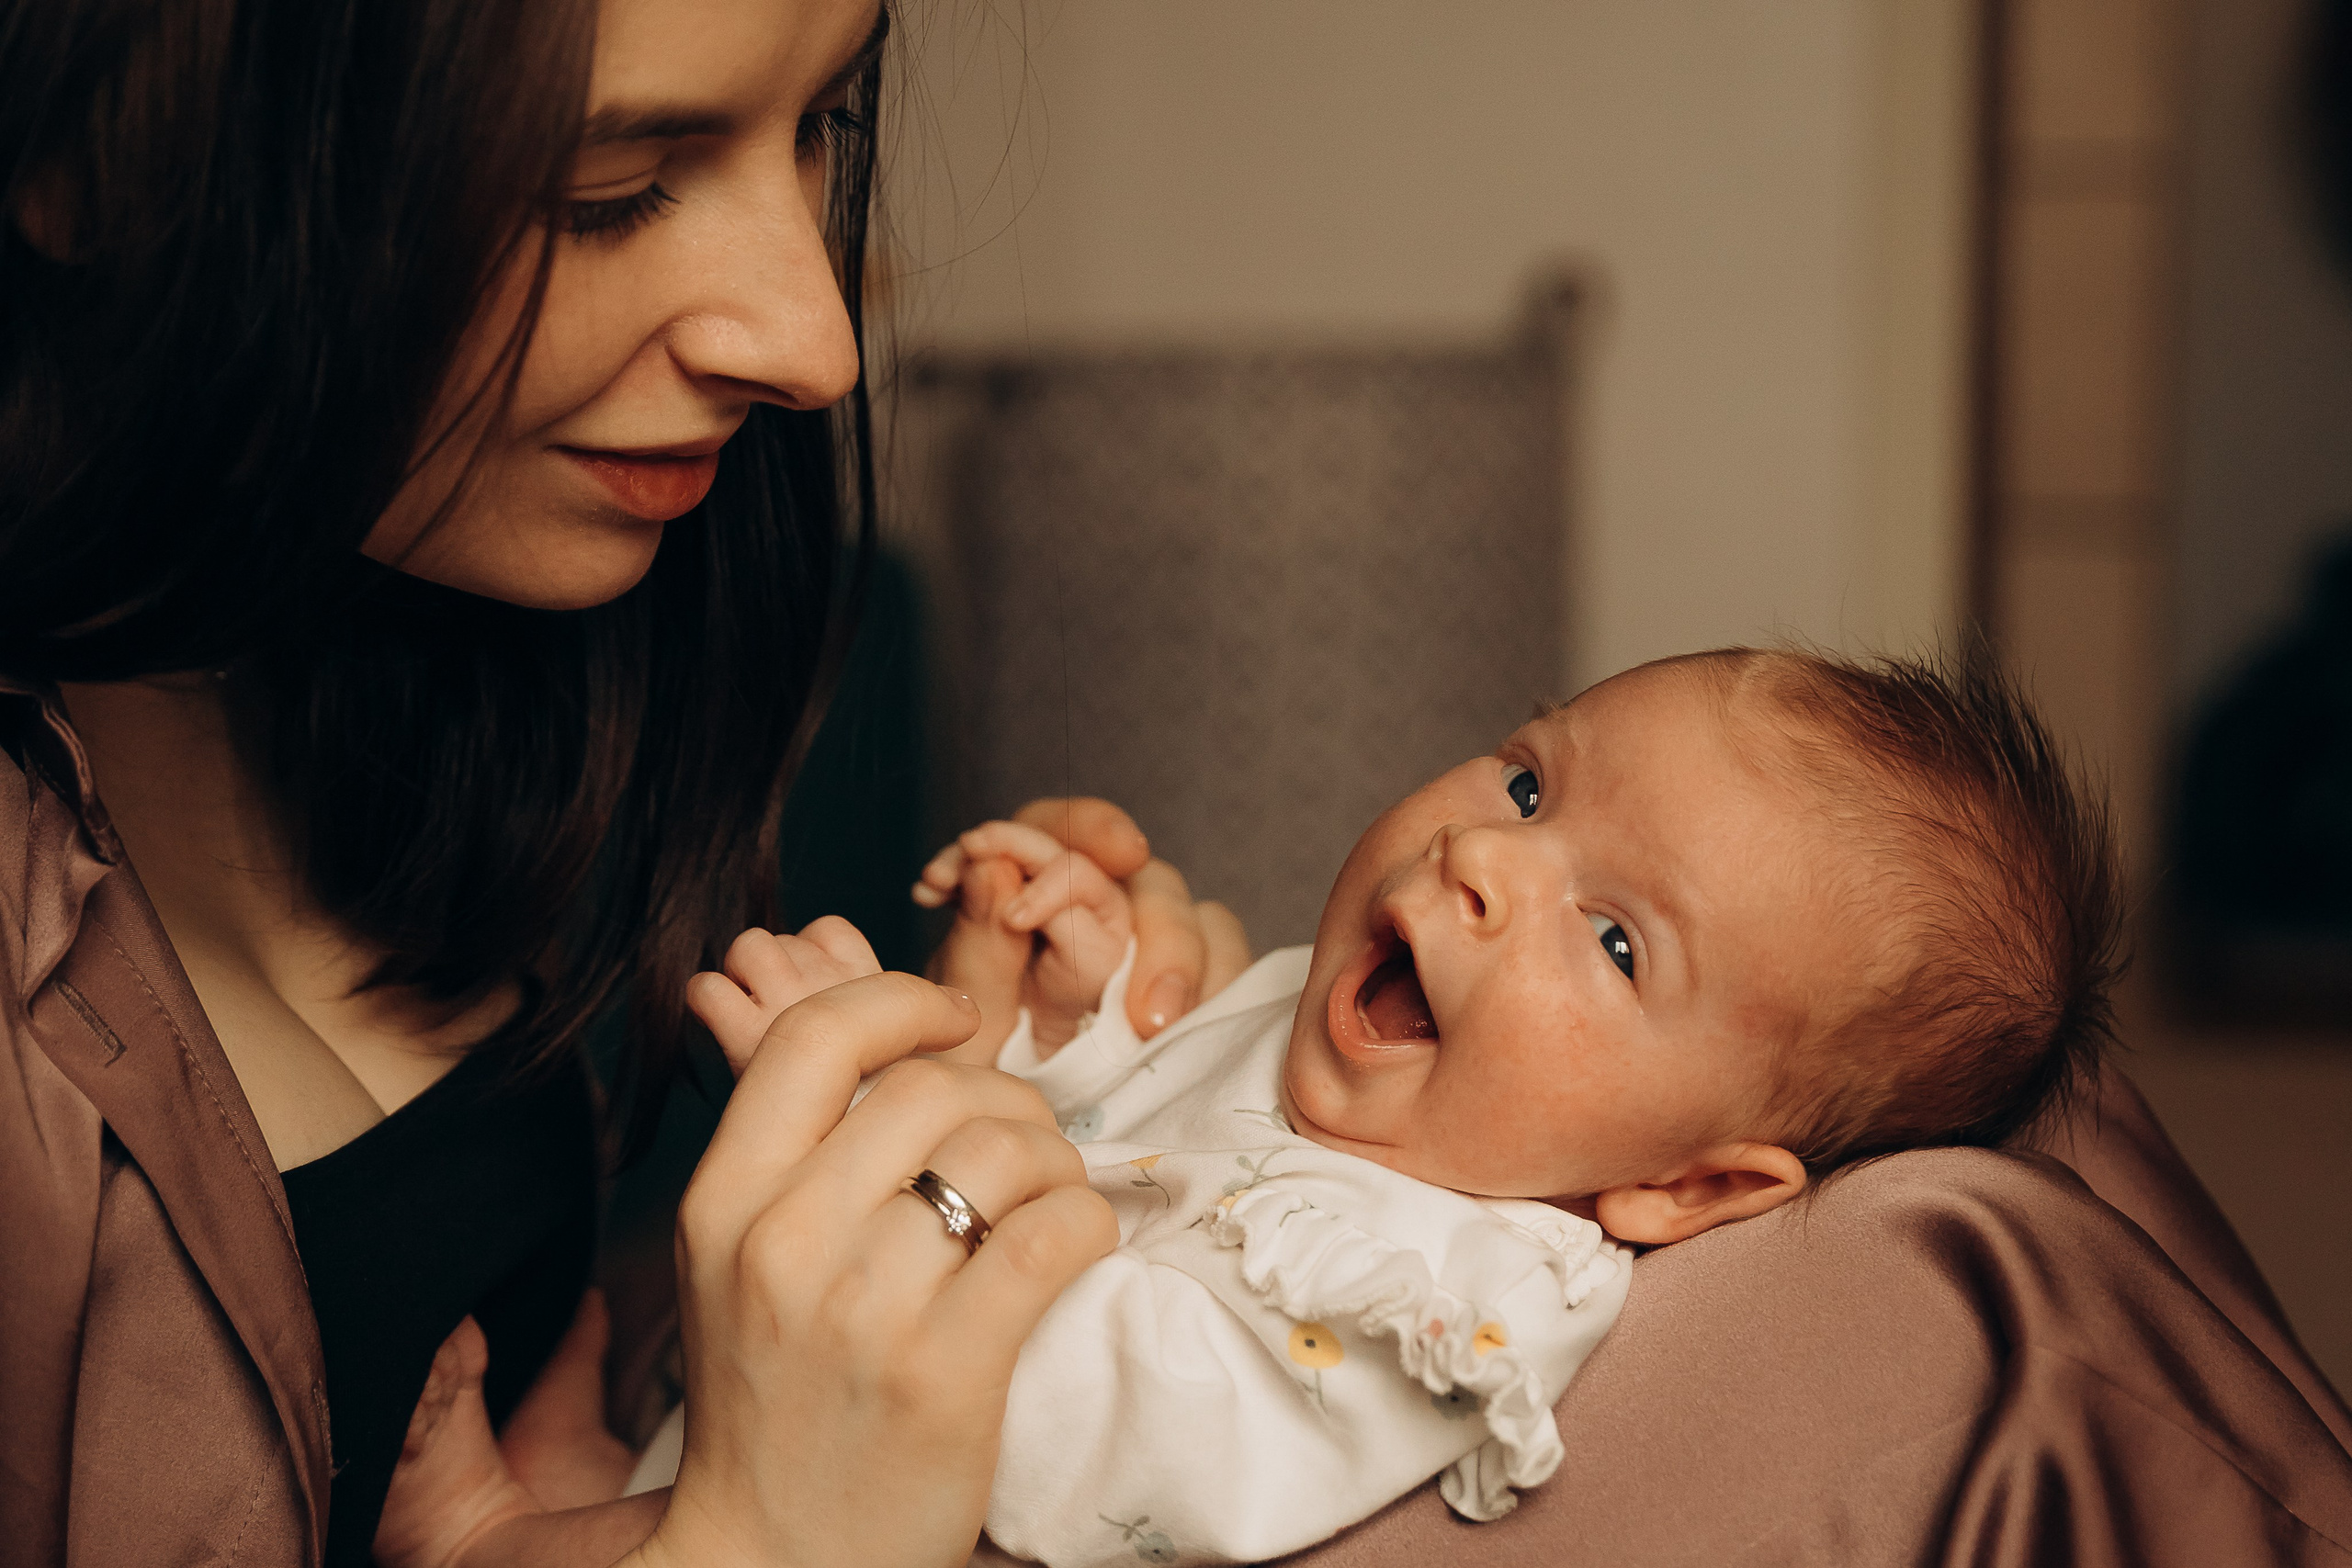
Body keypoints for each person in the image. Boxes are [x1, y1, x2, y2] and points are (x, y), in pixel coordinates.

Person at [0, 1, 1247, 1565]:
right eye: (609, 192)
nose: (816, 344)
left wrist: (948, 1169)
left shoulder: (489, 675)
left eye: (818, 132)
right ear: (87, 154)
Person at [571, 644, 2114, 1566]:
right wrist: (1073, 1007)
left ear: (1697, 1191)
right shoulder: (1347, 1015)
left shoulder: (1442, 1303)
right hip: (762, 1430)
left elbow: (1117, 1444)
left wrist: (891, 1128)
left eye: (1620, 938)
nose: (1488, 863)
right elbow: (1127, 1122)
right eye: (1529, 784)